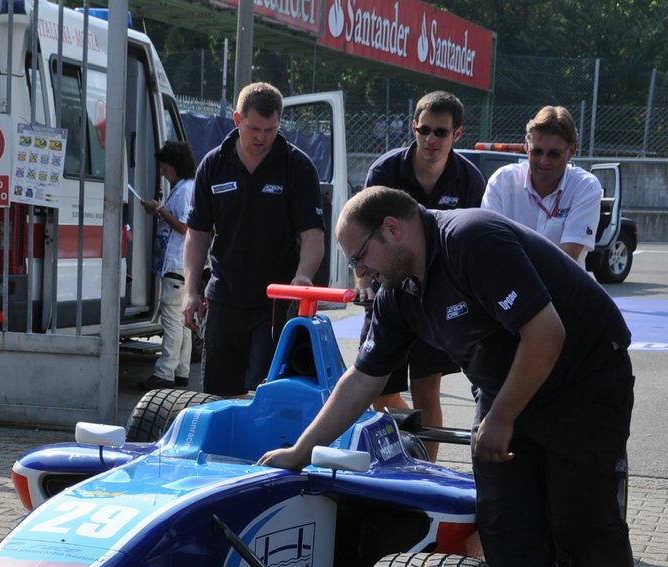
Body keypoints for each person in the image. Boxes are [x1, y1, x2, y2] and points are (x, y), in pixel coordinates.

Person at [260, 187, 653, 567]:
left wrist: (502, 419)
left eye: (360, 257)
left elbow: (546, 333)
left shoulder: (471, 241)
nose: (361, 272)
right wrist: (303, 450)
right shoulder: (399, 289)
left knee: (579, 522)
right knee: (506, 529)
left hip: (583, 380)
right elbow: (362, 379)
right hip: (505, 388)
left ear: (393, 230)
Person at [360, 90, 485, 458]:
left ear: (457, 135)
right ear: (413, 128)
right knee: (378, 389)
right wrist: (364, 281)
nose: (431, 140)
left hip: (437, 297)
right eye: (425, 130)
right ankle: (401, 452)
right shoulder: (384, 172)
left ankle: (428, 470)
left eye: (441, 133)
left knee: (427, 389)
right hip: (390, 295)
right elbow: (361, 233)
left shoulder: (469, 180)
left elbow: (473, 247)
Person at [183, 82, 325, 397]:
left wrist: (303, 275)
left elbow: (313, 235)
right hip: (224, 296)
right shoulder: (215, 164)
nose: (261, 137)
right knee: (218, 395)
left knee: (268, 392)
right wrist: (191, 290)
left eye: (270, 129)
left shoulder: (296, 166)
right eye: (253, 128)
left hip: (274, 301)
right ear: (237, 119)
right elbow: (197, 233)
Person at [482, 105, 602, 263]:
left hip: (561, 285)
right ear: (527, 147)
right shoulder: (502, 182)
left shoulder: (585, 187)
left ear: (572, 151)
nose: (544, 161)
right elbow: (490, 248)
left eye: (554, 154)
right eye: (537, 152)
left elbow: (567, 260)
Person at [140, 140, 197, 389]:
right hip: (179, 264)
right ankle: (182, 370)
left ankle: (165, 372)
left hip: (175, 262)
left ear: (176, 166)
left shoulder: (184, 190)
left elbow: (185, 227)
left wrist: (160, 210)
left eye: (165, 169)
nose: (163, 173)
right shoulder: (186, 187)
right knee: (182, 321)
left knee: (173, 320)